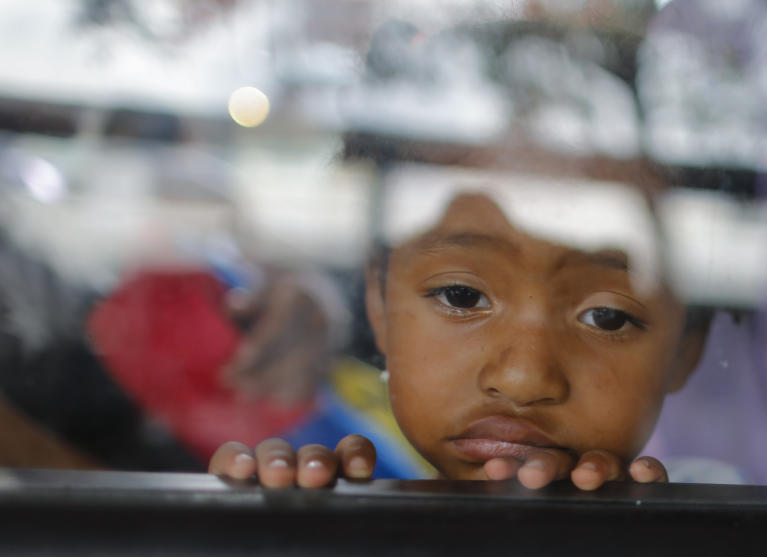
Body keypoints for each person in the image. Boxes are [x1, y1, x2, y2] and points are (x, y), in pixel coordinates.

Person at [209, 147, 712, 491]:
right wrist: (292, 531)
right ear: (379, 308)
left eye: (606, 317)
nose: (522, 378)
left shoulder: (722, 537)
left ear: (685, 351)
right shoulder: (349, 483)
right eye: (461, 295)